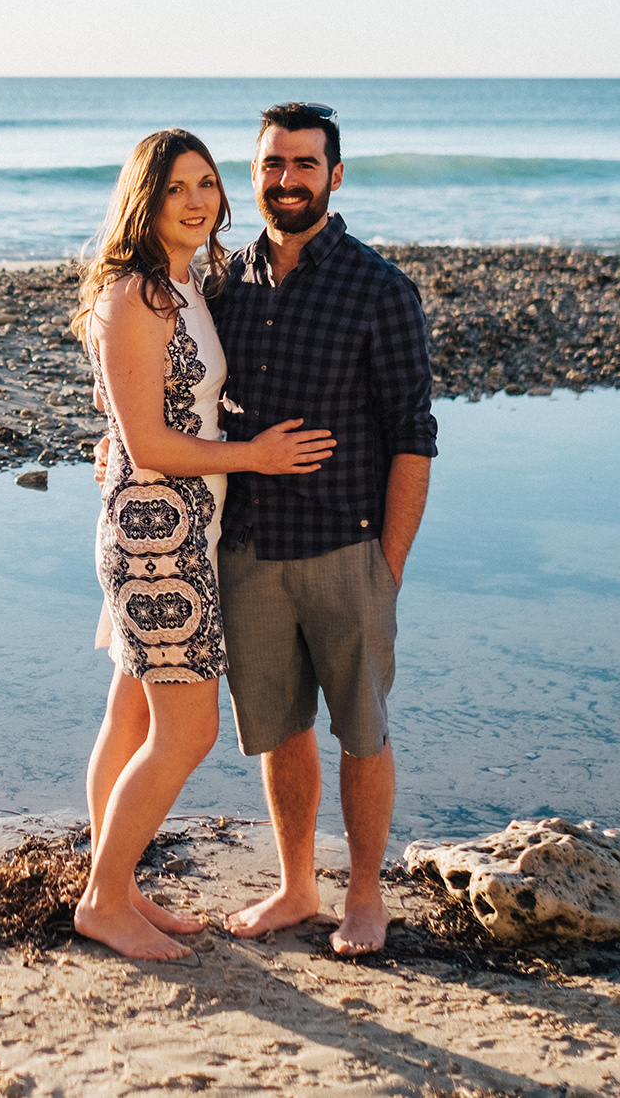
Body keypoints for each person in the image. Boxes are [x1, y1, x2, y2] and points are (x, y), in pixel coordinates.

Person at [71, 127, 334, 961]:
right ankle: (103, 899)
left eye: (206, 183)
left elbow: (137, 415)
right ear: (142, 200)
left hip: (181, 525)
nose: (196, 200)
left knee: (131, 713)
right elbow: (148, 442)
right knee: (186, 733)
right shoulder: (134, 295)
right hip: (158, 537)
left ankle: (115, 882)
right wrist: (254, 456)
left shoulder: (186, 283)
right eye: (176, 186)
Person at [213, 101, 437, 956]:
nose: (286, 180)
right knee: (278, 728)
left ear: (335, 176)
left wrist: (388, 563)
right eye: (272, 164)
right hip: (251, 547)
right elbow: (179, 389)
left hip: (348, 548)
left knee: (362, 730)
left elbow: (413, 436)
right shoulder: (223, 281)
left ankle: (367, 896)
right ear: (256, 173)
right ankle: (296, 885)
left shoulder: (378, 289)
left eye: (304, 164)